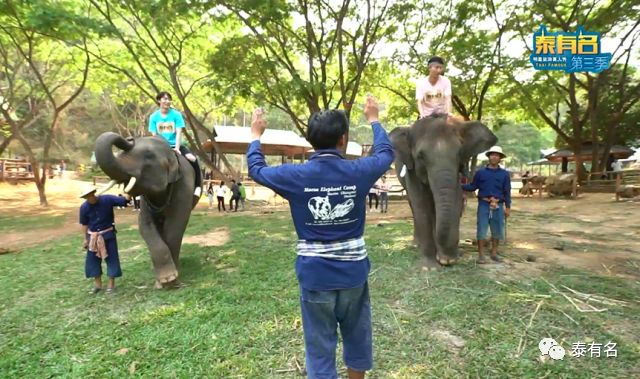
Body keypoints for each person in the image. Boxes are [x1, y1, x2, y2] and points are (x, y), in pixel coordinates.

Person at [247, 97, 394, 379]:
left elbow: (256, 169)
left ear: (311, 141)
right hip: (353, 275)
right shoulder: (358, 171)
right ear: (343, 140)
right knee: (357, 336)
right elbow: (386, 153)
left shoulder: (294, 175)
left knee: (319, 347)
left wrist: (255, 136)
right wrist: (374, 119)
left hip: (314, 277)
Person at [462, 146, 511, 264]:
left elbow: (507, 191)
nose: (494, 157)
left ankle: (494, 253)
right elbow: (473, 186)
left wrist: (508, 207)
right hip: (484, 204)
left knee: (497, 230)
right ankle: (481, 255)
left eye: (497, 155)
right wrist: (459, 186)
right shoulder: (481, 173)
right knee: (481, 229)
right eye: (492, 154)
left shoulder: (504, 174)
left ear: (500, 158)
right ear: (489, 157)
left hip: (498, 205)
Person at [148, 91, 202, 197]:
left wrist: (177, 148)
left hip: (176, 146)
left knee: (193, 159)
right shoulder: (153, 117)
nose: (167, 101)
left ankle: (198, 186)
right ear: (159, 101)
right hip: (161, 147)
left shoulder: (176, 115)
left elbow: (179, 132)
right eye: (164, 99)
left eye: (168, 99)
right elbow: (154, 136)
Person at [79, 186, 128, 294]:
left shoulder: (107, 199)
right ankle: (98, 285)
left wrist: (128, 193)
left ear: (94, 193)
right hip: (93, 238)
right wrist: (85, 239)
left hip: (108, 235)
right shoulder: (84, 207)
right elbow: (84, 224)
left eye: (90, 194)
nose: (89, 198)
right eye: (87, 196)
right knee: (92, 261)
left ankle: (111, 285)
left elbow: (124, 201)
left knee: (112, 259)